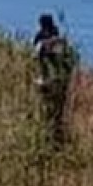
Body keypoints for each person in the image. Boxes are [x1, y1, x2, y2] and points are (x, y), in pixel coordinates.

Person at [33, 13, 78, 145]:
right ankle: (56, 139)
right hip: (59, 83)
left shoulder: (44, 41)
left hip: (49, 82)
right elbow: (68, 63)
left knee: (50, 113)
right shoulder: (59, 42)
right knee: (56, 113)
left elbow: (37, 57)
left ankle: (52, 139)